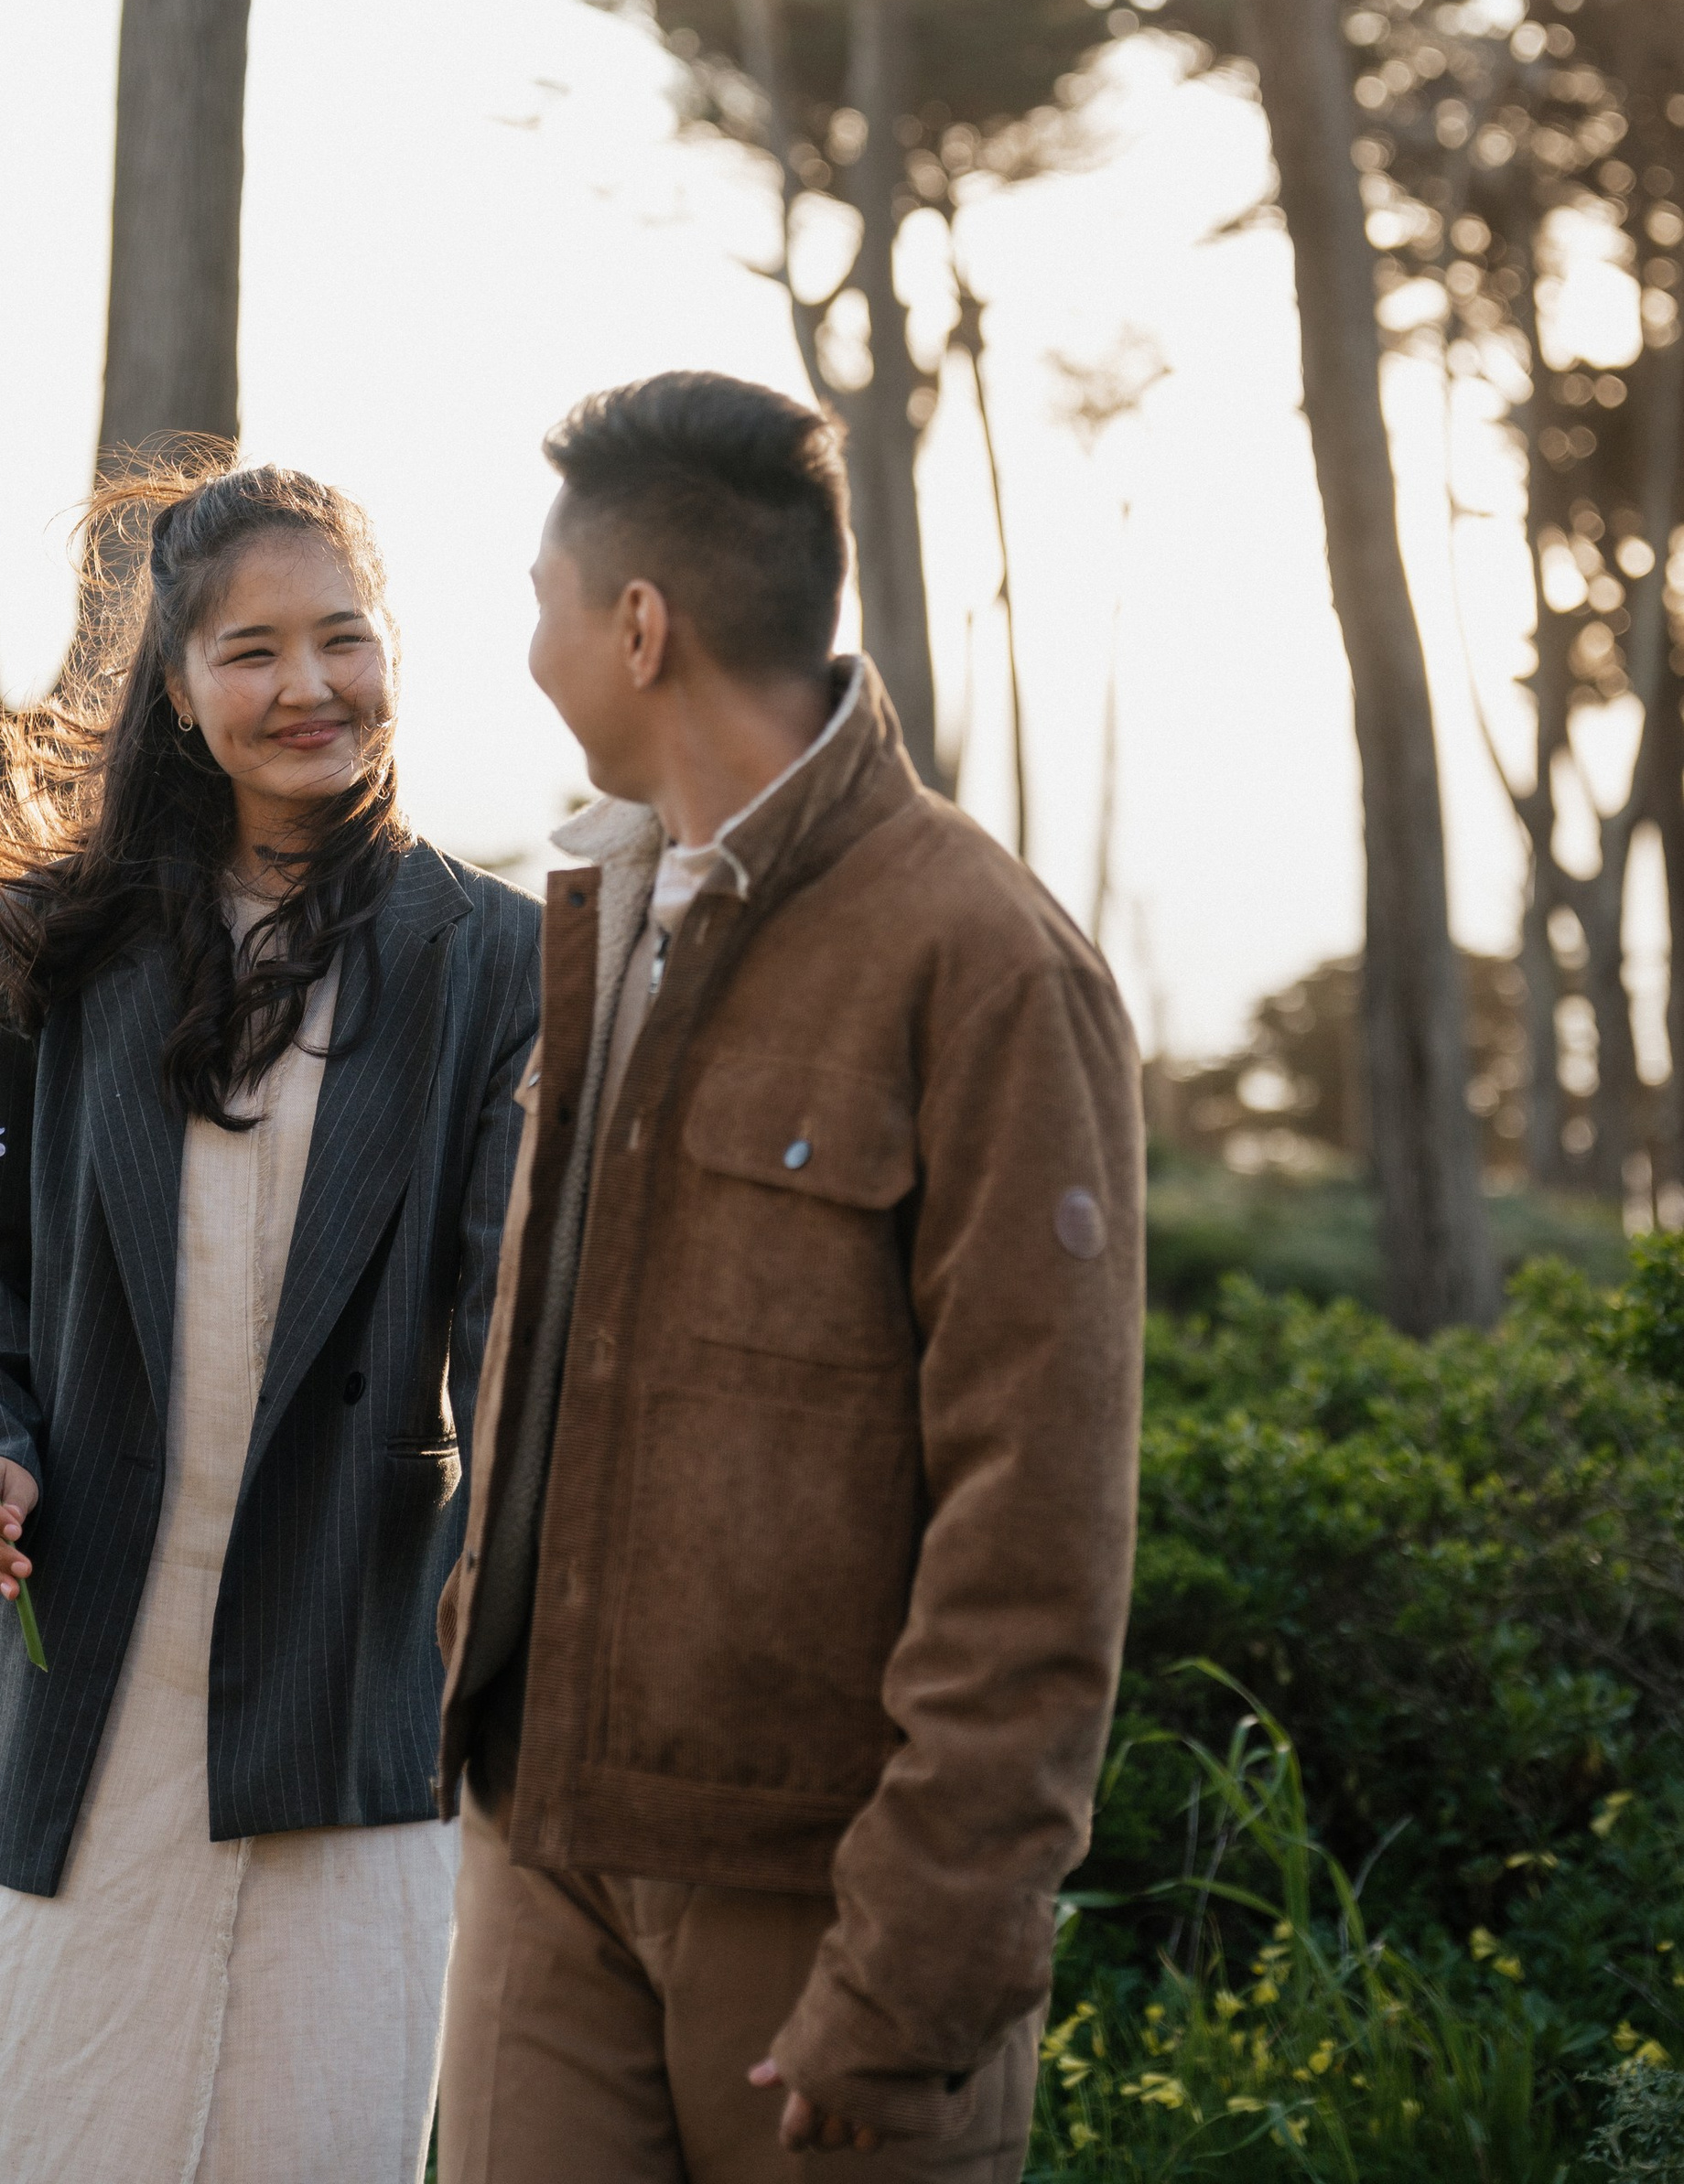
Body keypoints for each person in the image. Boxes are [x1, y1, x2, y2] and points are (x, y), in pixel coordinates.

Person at [0, 455, 538, 2184]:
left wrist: (507, 1564)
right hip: (80, 1667)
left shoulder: (493, 958)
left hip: (351, 1660)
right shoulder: (56, 941)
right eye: (252, 651)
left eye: (343, 639)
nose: (308, 688)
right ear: (175, 689)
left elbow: (512, 1300)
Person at [435, 371, 1144, 2183]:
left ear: (640, 625)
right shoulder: (601, 911)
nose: (527, 649)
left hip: (818, 1909)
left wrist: (914, 1963)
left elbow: (1037, 1512)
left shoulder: (980, 959)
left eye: (540, 603)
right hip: (540, 1851)